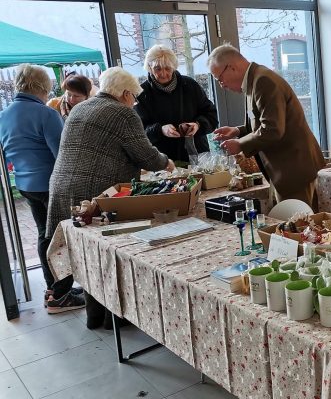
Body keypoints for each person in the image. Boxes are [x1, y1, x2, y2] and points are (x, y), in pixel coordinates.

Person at [47, 67, 174, 329]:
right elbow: (146, 156)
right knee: (109, 255)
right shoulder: (123, 114)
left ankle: (96, 317)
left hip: (62, 186)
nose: (135, 102)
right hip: (97, 191)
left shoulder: (81, 107)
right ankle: (114, 318)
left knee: (87, 255)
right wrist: (167, 164)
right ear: (126, 94)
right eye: (134, 97)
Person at [0, 64, 84, 313]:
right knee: (59, 237)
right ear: (43, 86)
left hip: (25, 185)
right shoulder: (46, 114)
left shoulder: (4, 115)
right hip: (51, 184)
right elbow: (63, 155)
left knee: (43, 234)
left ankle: (54, 287)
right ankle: (60, 295)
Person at [207, 44, 325, 208]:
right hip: (284, 170)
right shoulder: (253, 80)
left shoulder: (263, 81)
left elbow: (273, 129)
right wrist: (237, 131)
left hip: (294, 170)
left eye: (219, 78)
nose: (222, 85)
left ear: (231, 67)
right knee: (290, 226)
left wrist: (240, 144)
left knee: (300, 228)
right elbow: (262, 121)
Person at [134, 44, 218, 165]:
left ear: (174, 67)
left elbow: (212, 115)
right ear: (149, 68)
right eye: (157, 68)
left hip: (198, 155)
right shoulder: (142, 93)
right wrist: (160, 130)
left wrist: (197, 125)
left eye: (167, 68)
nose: (163, 73)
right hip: (163, 161)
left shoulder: (190, 85)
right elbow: (138, 131)